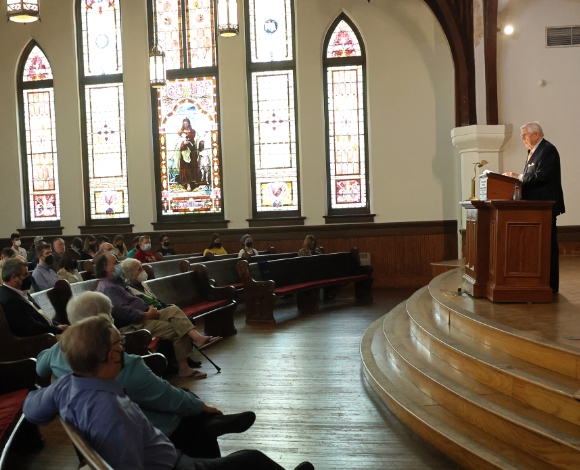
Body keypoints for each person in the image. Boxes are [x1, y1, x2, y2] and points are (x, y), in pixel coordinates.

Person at [23, 316, 314, 470]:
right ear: (109, 357)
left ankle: (208, 421)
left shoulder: (68, 384)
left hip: (171, 456)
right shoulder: (111, 412)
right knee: (251, 460)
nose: (124, 349)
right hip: (178, 465)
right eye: (119, 345)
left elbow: (32, 409)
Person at [36, 292, 255, 459]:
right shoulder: (120, 362)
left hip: (95, 430)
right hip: (141, 436)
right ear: (103, 321)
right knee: (191, 414)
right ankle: (211, 424)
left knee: (184, 397)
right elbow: (163, 397)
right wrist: (199, 407)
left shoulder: (57, 352)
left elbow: (40, 368)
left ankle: (213, 421)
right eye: (110, 316)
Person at [96, 254, 218, 378]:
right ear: (106, 267)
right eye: (116, 262)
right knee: (174, 329)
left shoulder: (115, 283)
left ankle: (197, 338)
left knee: (173, 310)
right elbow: (124, 312)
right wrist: (146, 315)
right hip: (134, 324)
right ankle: (184, 368)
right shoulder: (108, 288)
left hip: (143, 316)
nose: (119, 265)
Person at [503, 122, 565, 293]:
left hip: (545, 206)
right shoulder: (533, 152)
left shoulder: (547, 150)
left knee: (547, 245)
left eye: (524, 135)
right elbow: (530, 178)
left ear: (536, 134)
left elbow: (542, 176)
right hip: (533, 206)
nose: (522, 139)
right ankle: (536, 282)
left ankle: (550, 285)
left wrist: (519, 176)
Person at [0, 258, 67, 337]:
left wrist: (59, 326)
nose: (29, 277)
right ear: (14, 277)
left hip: (49, 331)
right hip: (42, 339)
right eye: (25, 275)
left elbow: (39, 316)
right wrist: (58, 329)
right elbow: (31, 327)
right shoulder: (10, 300)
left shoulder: (19, 291)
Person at [176, 118, 205, 192]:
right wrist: (183, 144)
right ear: (183, 124)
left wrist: (200, 143)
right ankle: (188, 183)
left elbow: (196, 140)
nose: (186, 124)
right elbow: (176, 143)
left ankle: (194, 181)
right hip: (184, 153)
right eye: (184, 123)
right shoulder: (180, 132)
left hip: (192, 152)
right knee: (186, 168)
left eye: (187, 123)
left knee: (193, 167)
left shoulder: (193, 131)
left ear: (189, 123)